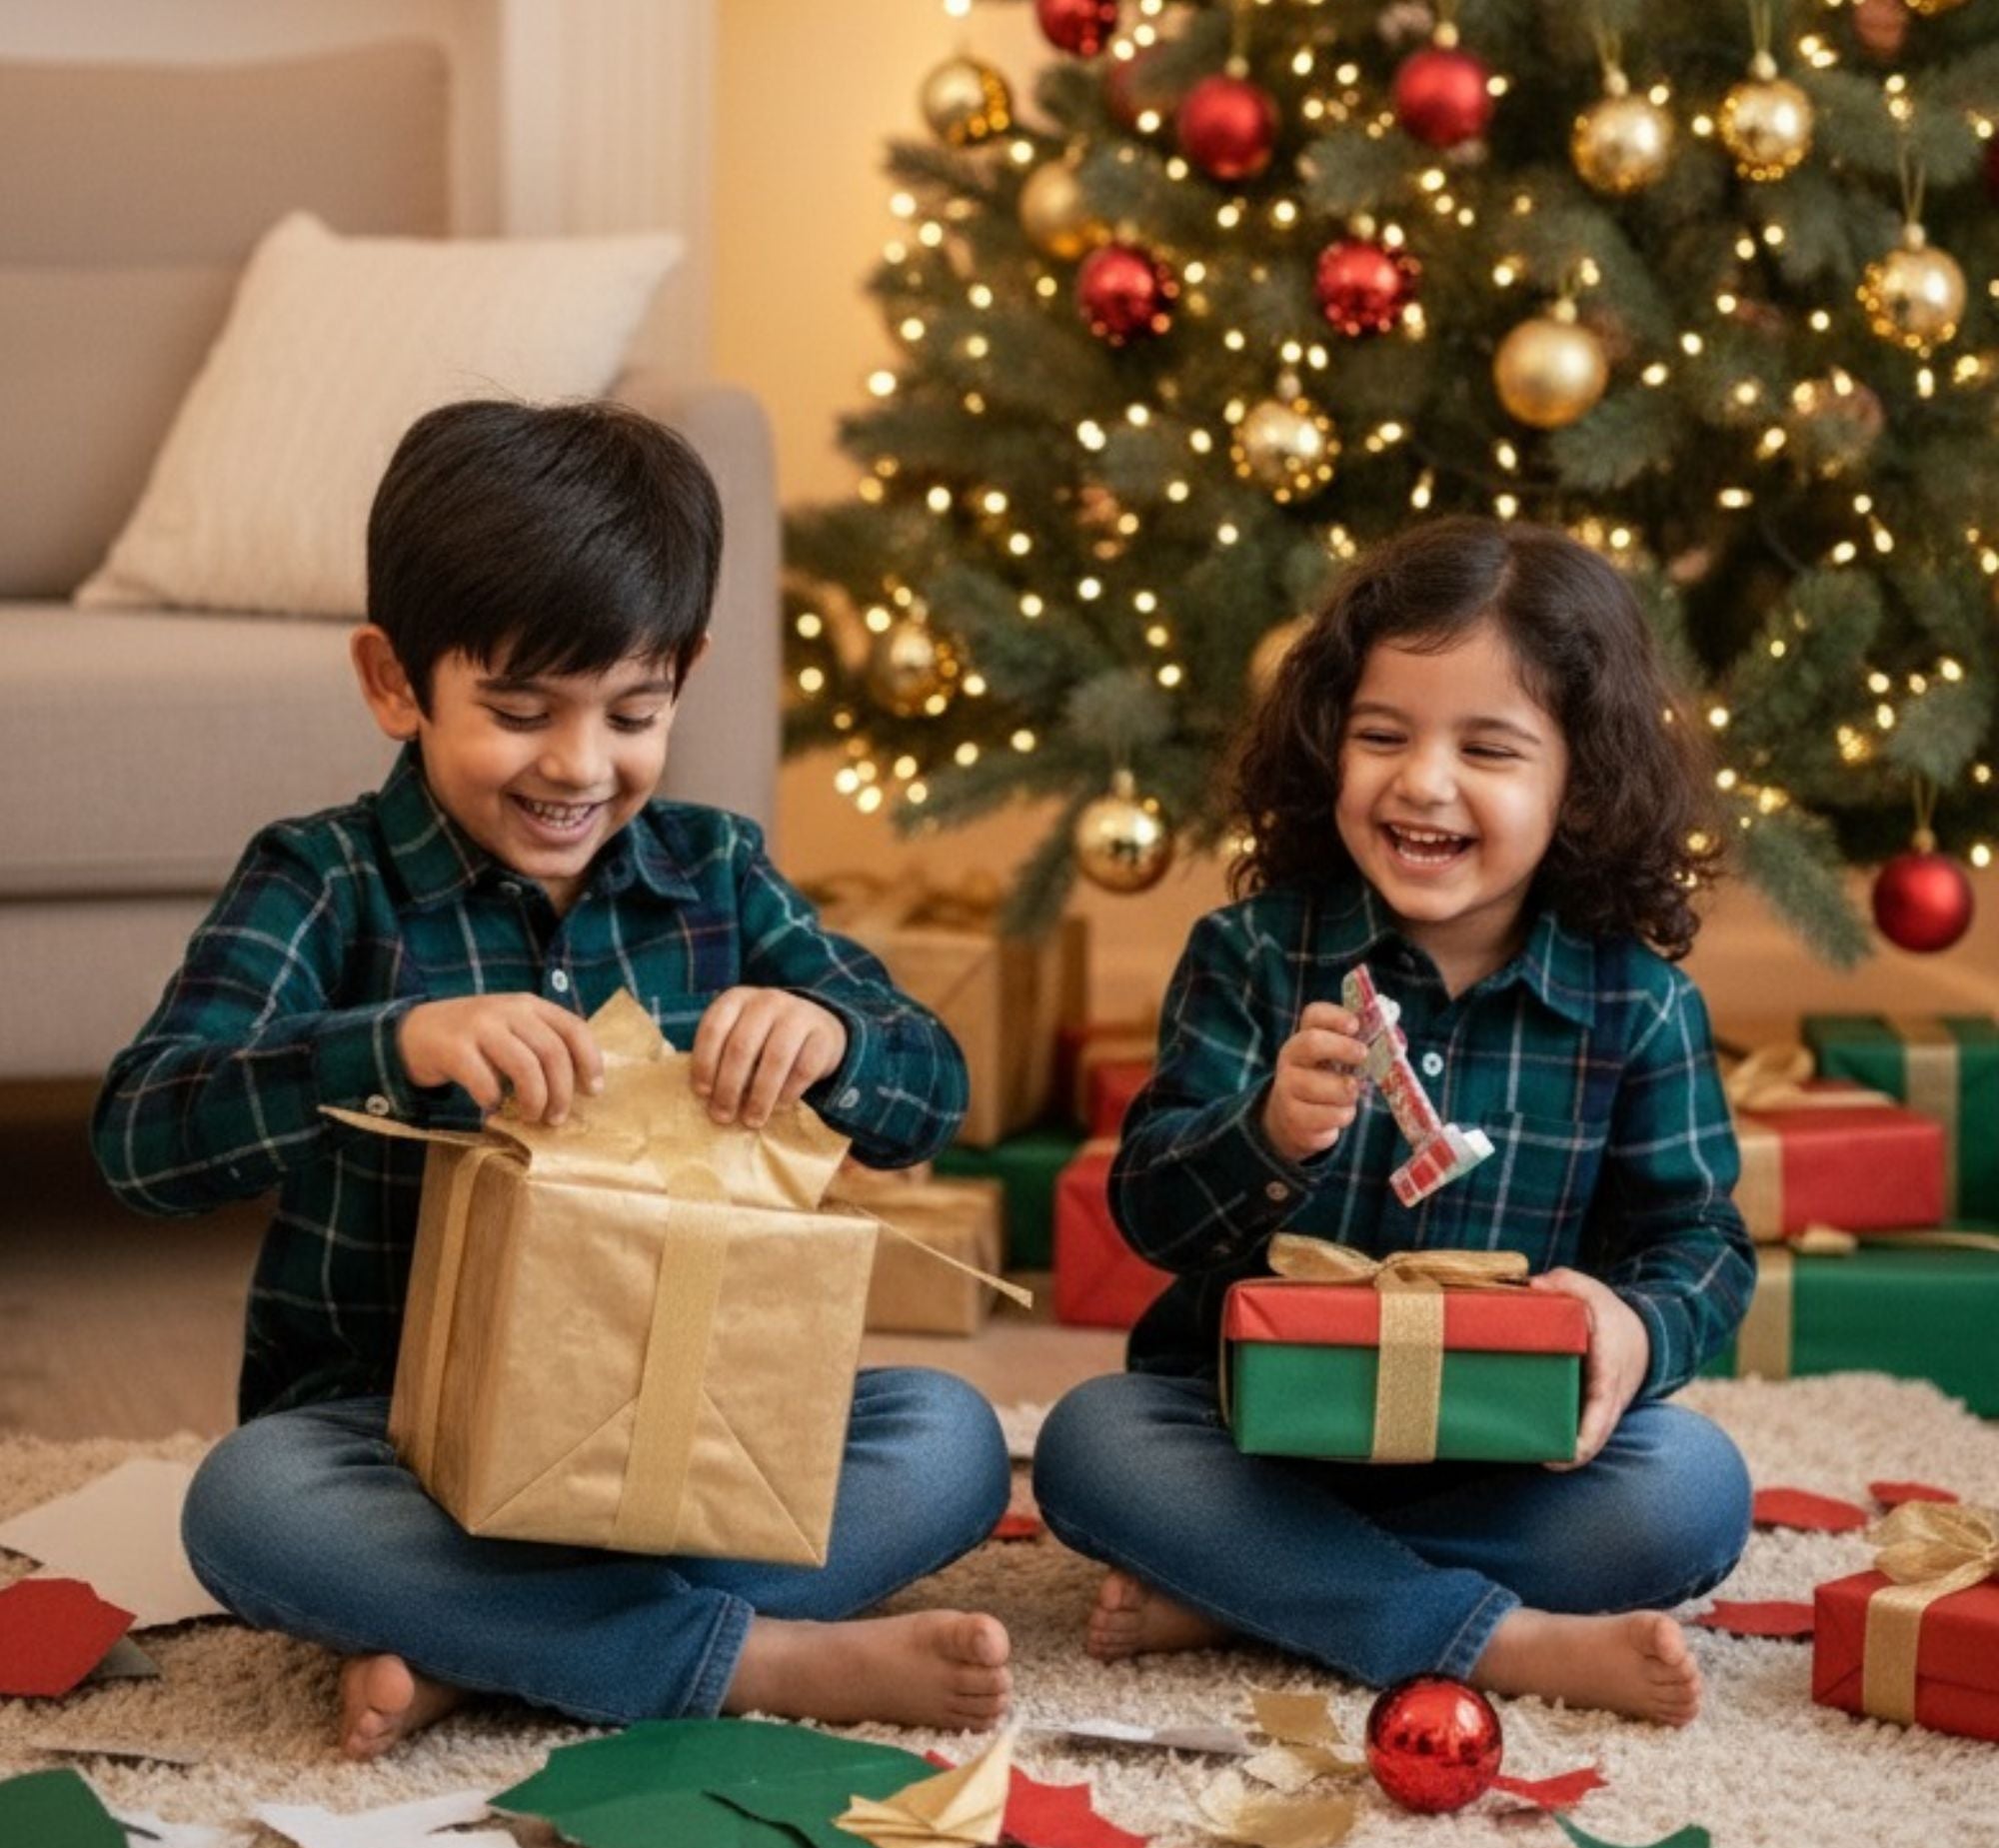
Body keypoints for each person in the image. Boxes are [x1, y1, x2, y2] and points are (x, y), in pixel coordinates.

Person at [93, 400, 1012, 1758]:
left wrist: (835, 1036)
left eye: (633, 712)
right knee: (245, 1504)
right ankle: (742, 1655)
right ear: (394, 682)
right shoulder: (324, 878)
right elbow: (141, 1137)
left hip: (692, 1431)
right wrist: (393, 1044)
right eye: (520, 713)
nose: (580, 766)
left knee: (953, 1440)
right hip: (393, 1442)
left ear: (685, 674)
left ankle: (493, 1650)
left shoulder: (716, 871)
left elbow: (933, 1092)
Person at [1032, 516, 1755, 1727]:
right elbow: (1150, 1210)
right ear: (1329, 747)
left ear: (1582, 775)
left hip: (1500, 1456)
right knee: (1090, 1443)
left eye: (1489, 748)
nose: (1422, 782)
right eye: (1382, 735)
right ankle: (1489, 1634)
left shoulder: (1637, 1004)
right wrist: (1263, 1132)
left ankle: (1254, 1586)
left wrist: (1636, 1323)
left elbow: (1700, 1242)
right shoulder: (1249, 956)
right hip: (1249, 1434)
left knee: (1691, 1490)